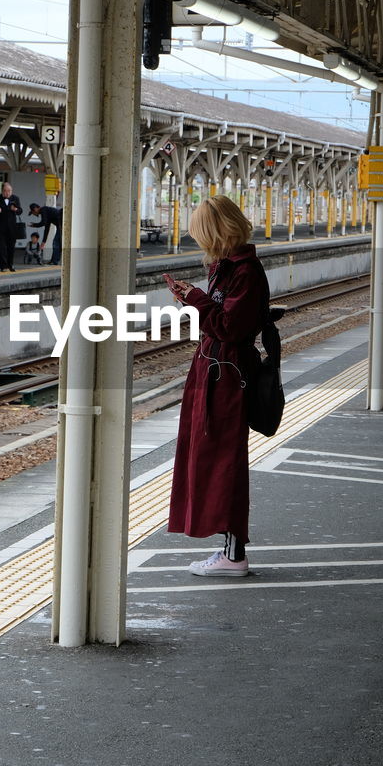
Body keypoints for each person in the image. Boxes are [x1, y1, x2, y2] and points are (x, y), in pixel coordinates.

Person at [165, 194, 271, 577]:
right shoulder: (226, 268)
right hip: (214, 372)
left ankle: (234, 555)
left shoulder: (245, 272)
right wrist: (192, 299)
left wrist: (195, 299)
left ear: (217, 232)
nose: (201, 245)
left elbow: (230, 327)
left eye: (203, 235)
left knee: (224, 462)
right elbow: (219, 320)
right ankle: (229, 550)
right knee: (210, 458)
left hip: (227, 378)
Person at [0, 181, 23, 272]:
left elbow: (20, 211)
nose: (8, 193)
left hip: (12, 228)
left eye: (9, 191)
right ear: (2, 191)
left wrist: (16, 209)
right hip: (0, 227)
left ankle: (11, 265)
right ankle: (3, 266)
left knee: (11, 247)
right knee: (2, 247)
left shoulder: (15, 198)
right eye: (6, 191)